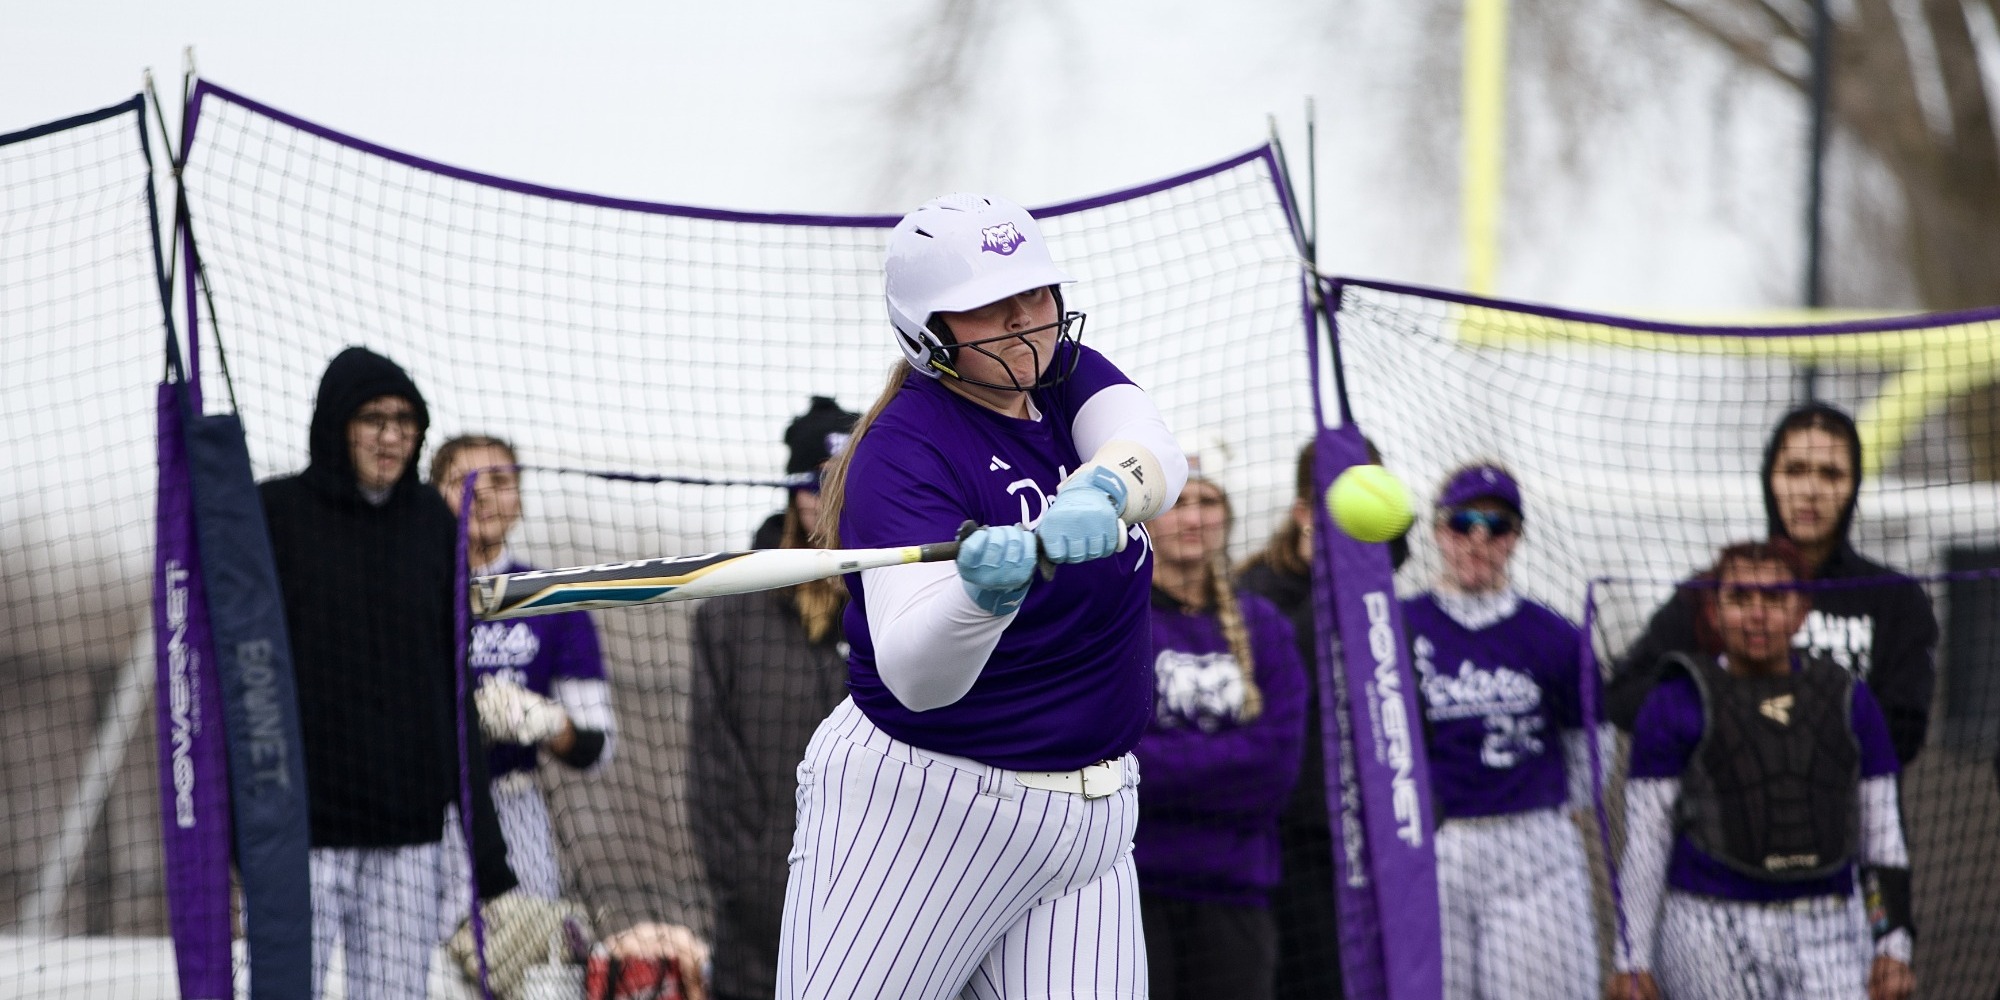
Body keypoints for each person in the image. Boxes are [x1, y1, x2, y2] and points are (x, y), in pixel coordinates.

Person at [774, 192, 1187, 1000]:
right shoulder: (901, 453)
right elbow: (916, 677)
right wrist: (981, 598)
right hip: (924, 813)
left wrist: (1103, 486)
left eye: (1036, 294)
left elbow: (1154, 451)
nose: (1027, 322)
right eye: (989, 308)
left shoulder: (1063, 376)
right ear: (931, 331)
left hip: (1091, 826)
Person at [259, 347, 517, 999]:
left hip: (409, 838)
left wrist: (489, 858)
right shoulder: (277, 515)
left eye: (406, 420)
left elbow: (453, 691)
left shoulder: (434, 525)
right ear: (338, 423)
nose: (392, 435)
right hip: (304, 836)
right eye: (374, 417)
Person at [1610, 540, 1915, 1000]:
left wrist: (1894, 946)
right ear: (1714, 612)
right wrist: (1632, 959)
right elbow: (1647, 841)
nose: (1756, 614)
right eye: (1739, 599)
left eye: (1774, 599)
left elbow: (1883, 834)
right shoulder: (1672, 702)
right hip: (1707, 927)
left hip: (1830, 923)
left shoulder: (1850, 698)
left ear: (1801, 611)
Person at [1607, 404, 1938, 766]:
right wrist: (1721, 708)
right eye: (1794, 470)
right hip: (1724, 815)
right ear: (1770, 479)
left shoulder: (1895, 600)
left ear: (1853, 485)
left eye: (1830, 474)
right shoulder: (1712, 592)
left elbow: (1903, 734)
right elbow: (1624, 698)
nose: (1810, 490)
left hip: (1847, 815)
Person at [1400, 464, 1600, 1000]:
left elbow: (1588, 755)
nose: (1478, 539)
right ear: (1439, 531)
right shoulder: (1400, 624)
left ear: (1517, 537)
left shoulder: (1555, 634)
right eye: (1463, 523)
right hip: (1436, 843)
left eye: (1498, 525)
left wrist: (1556, 815)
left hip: (1532, 842)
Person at [691, 398, 857, 1000]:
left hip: (880, 901)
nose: (832, 499)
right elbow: (713, 774)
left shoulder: (892, 604)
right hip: (758, 926)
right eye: (820, 482)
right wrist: (753, 884)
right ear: (796, 492)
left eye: (850, 481)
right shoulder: (732, 612)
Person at [1134, 471, 1307, 1000]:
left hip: (1235, 894)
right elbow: (1114, 759)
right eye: (1177, 502)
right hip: (1135, 888)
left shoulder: (1265, 626)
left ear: (1226, 519)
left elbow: (1277, 764)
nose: (1192, 517)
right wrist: (1226, 763)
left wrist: (1163, 766)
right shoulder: (1118, 618)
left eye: (1207, 502)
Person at [429, 435, 616, 916]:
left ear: (520, 499)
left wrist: (548, 723)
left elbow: (598, 748)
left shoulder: (552, 599)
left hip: (516, 810)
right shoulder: (412, 593)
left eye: (499, 481)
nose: (483, 494)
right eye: (462, 481)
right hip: (427, 814)